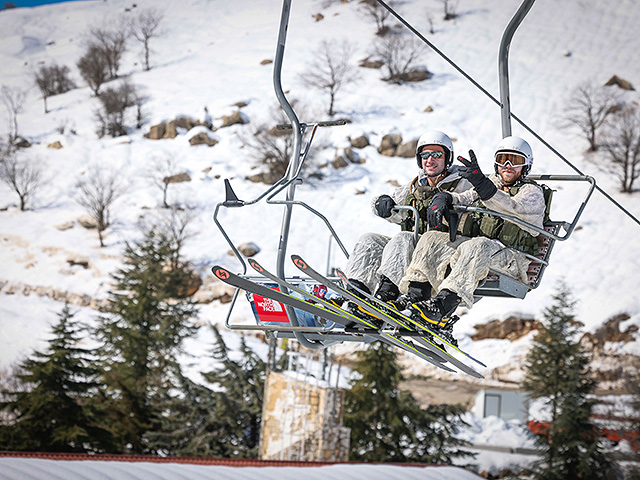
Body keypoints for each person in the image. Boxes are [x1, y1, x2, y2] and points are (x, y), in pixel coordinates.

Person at [396, 136, 547, 344]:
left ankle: (442, 308)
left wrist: (485, 188)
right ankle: (416, 296)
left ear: (526, 165)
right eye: (503, 159)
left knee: (479, 244)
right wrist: (446, 198)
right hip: (481, 253)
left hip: (513, 259)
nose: (508, 166)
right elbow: (465, 197)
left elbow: (513, 208)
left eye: (515, 160)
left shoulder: (532, 192)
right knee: (432, 238)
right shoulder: (491, 183)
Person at [343, 130, 473, 306]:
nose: (430, 160)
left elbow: (480, 202)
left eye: (437, 155)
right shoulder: (415, 187)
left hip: (446, 249)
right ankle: (355, 292)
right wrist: (381, 204)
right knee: (369, 240)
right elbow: (395, 208)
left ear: (447, 158)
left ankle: (387, 293)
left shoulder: (462, 183)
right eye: (425, 155)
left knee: (403, 238)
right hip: (414, 249)